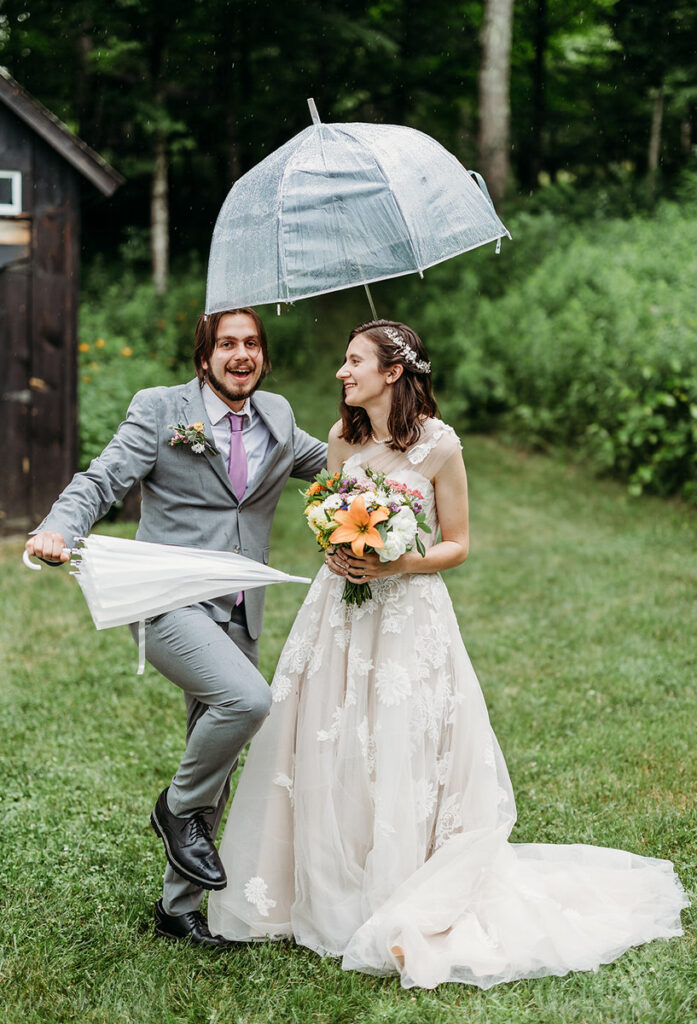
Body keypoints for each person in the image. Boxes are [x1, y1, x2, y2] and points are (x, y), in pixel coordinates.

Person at [207, 318, 686, 988]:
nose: (342, 373)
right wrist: (340, 549)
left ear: (392, 372)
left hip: (408, 612)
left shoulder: (438, 445)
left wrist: (398, 562)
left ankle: (403, 885)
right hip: (340, 613)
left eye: (354, 362)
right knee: (329, 736)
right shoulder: (343, 437)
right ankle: (317, 887)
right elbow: (332, 511)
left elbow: (456, 542)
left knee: (402, 743)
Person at [25, 308, 327, 948]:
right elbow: (103, 477)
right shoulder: (163, 410)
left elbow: (341, 469)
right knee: (247, 700)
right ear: (204, 358)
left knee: (214, 743)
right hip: (167, 600)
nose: (240, 355)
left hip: (240, 606)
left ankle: (177, 908)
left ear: (263, 357)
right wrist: (60, 526)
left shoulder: (277, 417)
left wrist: (403, 457)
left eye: (251, 344)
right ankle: (177, 808)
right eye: (226, 345)